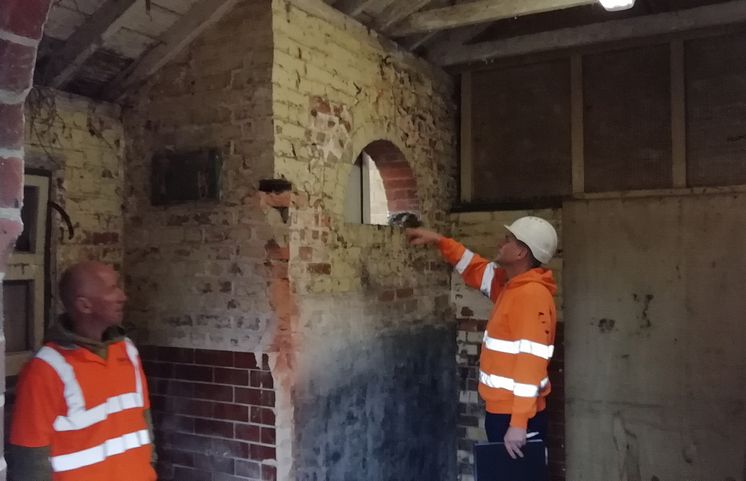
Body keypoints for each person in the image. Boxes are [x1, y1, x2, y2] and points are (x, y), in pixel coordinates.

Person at [406, 216, 558, 463]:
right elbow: (475, 268)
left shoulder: (530, 295)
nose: (501, 242)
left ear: (520, 251)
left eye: (508, 239)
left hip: (516, 417)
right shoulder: (513, 287)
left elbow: (530, 364)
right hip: (505, 413)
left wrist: (518, 424)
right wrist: (440, 241)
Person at [8, 261, 156, 481]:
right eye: (112, 289)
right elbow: (30, 460)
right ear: (84, 305)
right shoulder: (45, 369)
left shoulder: (127, 351)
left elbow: (144, 422)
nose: (122, 297)